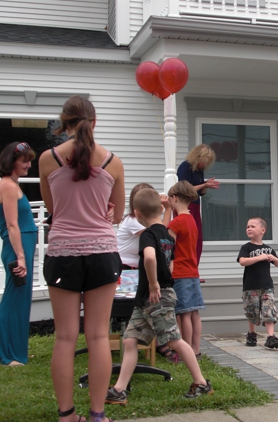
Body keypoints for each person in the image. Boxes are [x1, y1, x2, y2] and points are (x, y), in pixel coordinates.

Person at [39, 95, 125, 422]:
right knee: (99, 335)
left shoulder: (48, 159)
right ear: (94, 121)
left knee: (64, 336)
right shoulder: (113, 162)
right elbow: (115, 216)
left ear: (65, 122)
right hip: (103, 253)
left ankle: (66, 415)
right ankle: (98, 414)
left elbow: (52, 208)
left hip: (62, 253)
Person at [105, 188, 213, 405]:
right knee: (129, 339)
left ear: (136, 212)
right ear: (160, 208)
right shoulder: (164, 233)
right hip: (146, 299)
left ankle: (201, 382)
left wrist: (155, 284)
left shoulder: (148, 235)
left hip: (156, 296)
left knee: (174, 340)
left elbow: (150, 258)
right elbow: (169, 262)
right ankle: (119, 390)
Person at [117, 182, 180, 364]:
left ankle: (161, 344)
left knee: (149, 312)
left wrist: (165, 209)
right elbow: (160, 234)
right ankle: (161, 344)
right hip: (128, 271)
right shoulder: (132, 221)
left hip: (142, 272)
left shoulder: (146, 226)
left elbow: (160, 234)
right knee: (143, 313)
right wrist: (165, 210)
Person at [0, 142, 38, 367]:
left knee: (21, 300)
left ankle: (17, 349)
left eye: (30, 160)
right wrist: (20, 257)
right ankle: (8, 354)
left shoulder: (13, 185)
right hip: (17, 249)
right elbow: (12, 226)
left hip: (23, 245)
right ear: (11, 161)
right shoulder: (7, 185)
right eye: (24, 160)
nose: (29, 165)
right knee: (13, 299)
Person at [166, 180, 205, 358]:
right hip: (193, 272)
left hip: (179, 272)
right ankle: (195, 350)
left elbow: (166, 248)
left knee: (183, 314)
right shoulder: (191, 220)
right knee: (194, 312)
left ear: (174, 198)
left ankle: (184, 351)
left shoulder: (176, 223)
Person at [237, 217, 278, 349]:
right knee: (252, 312)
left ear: (262, 230)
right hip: (250, 286)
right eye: (247, 227)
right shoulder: (246, 247)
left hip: (267, 285)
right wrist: (259, 257)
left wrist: (274, 258)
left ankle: (271, 337)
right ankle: (251, 334)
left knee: (268, 310)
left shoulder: (268, 249)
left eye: (252, 226)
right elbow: (242, 261)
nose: (249, 229)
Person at [176, 144, 219, 264]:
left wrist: (207, 185)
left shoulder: (200, 171)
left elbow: (200, 192)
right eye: (202, 161)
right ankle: (186, 266)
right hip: (185, 205)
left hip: (195, 205)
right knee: (187, 237)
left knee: (197, 238)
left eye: (206, 162)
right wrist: (204, 185)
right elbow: (184, 188)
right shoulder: (186, 166)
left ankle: (195, 267)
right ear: (196, 157)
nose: (204, 164)